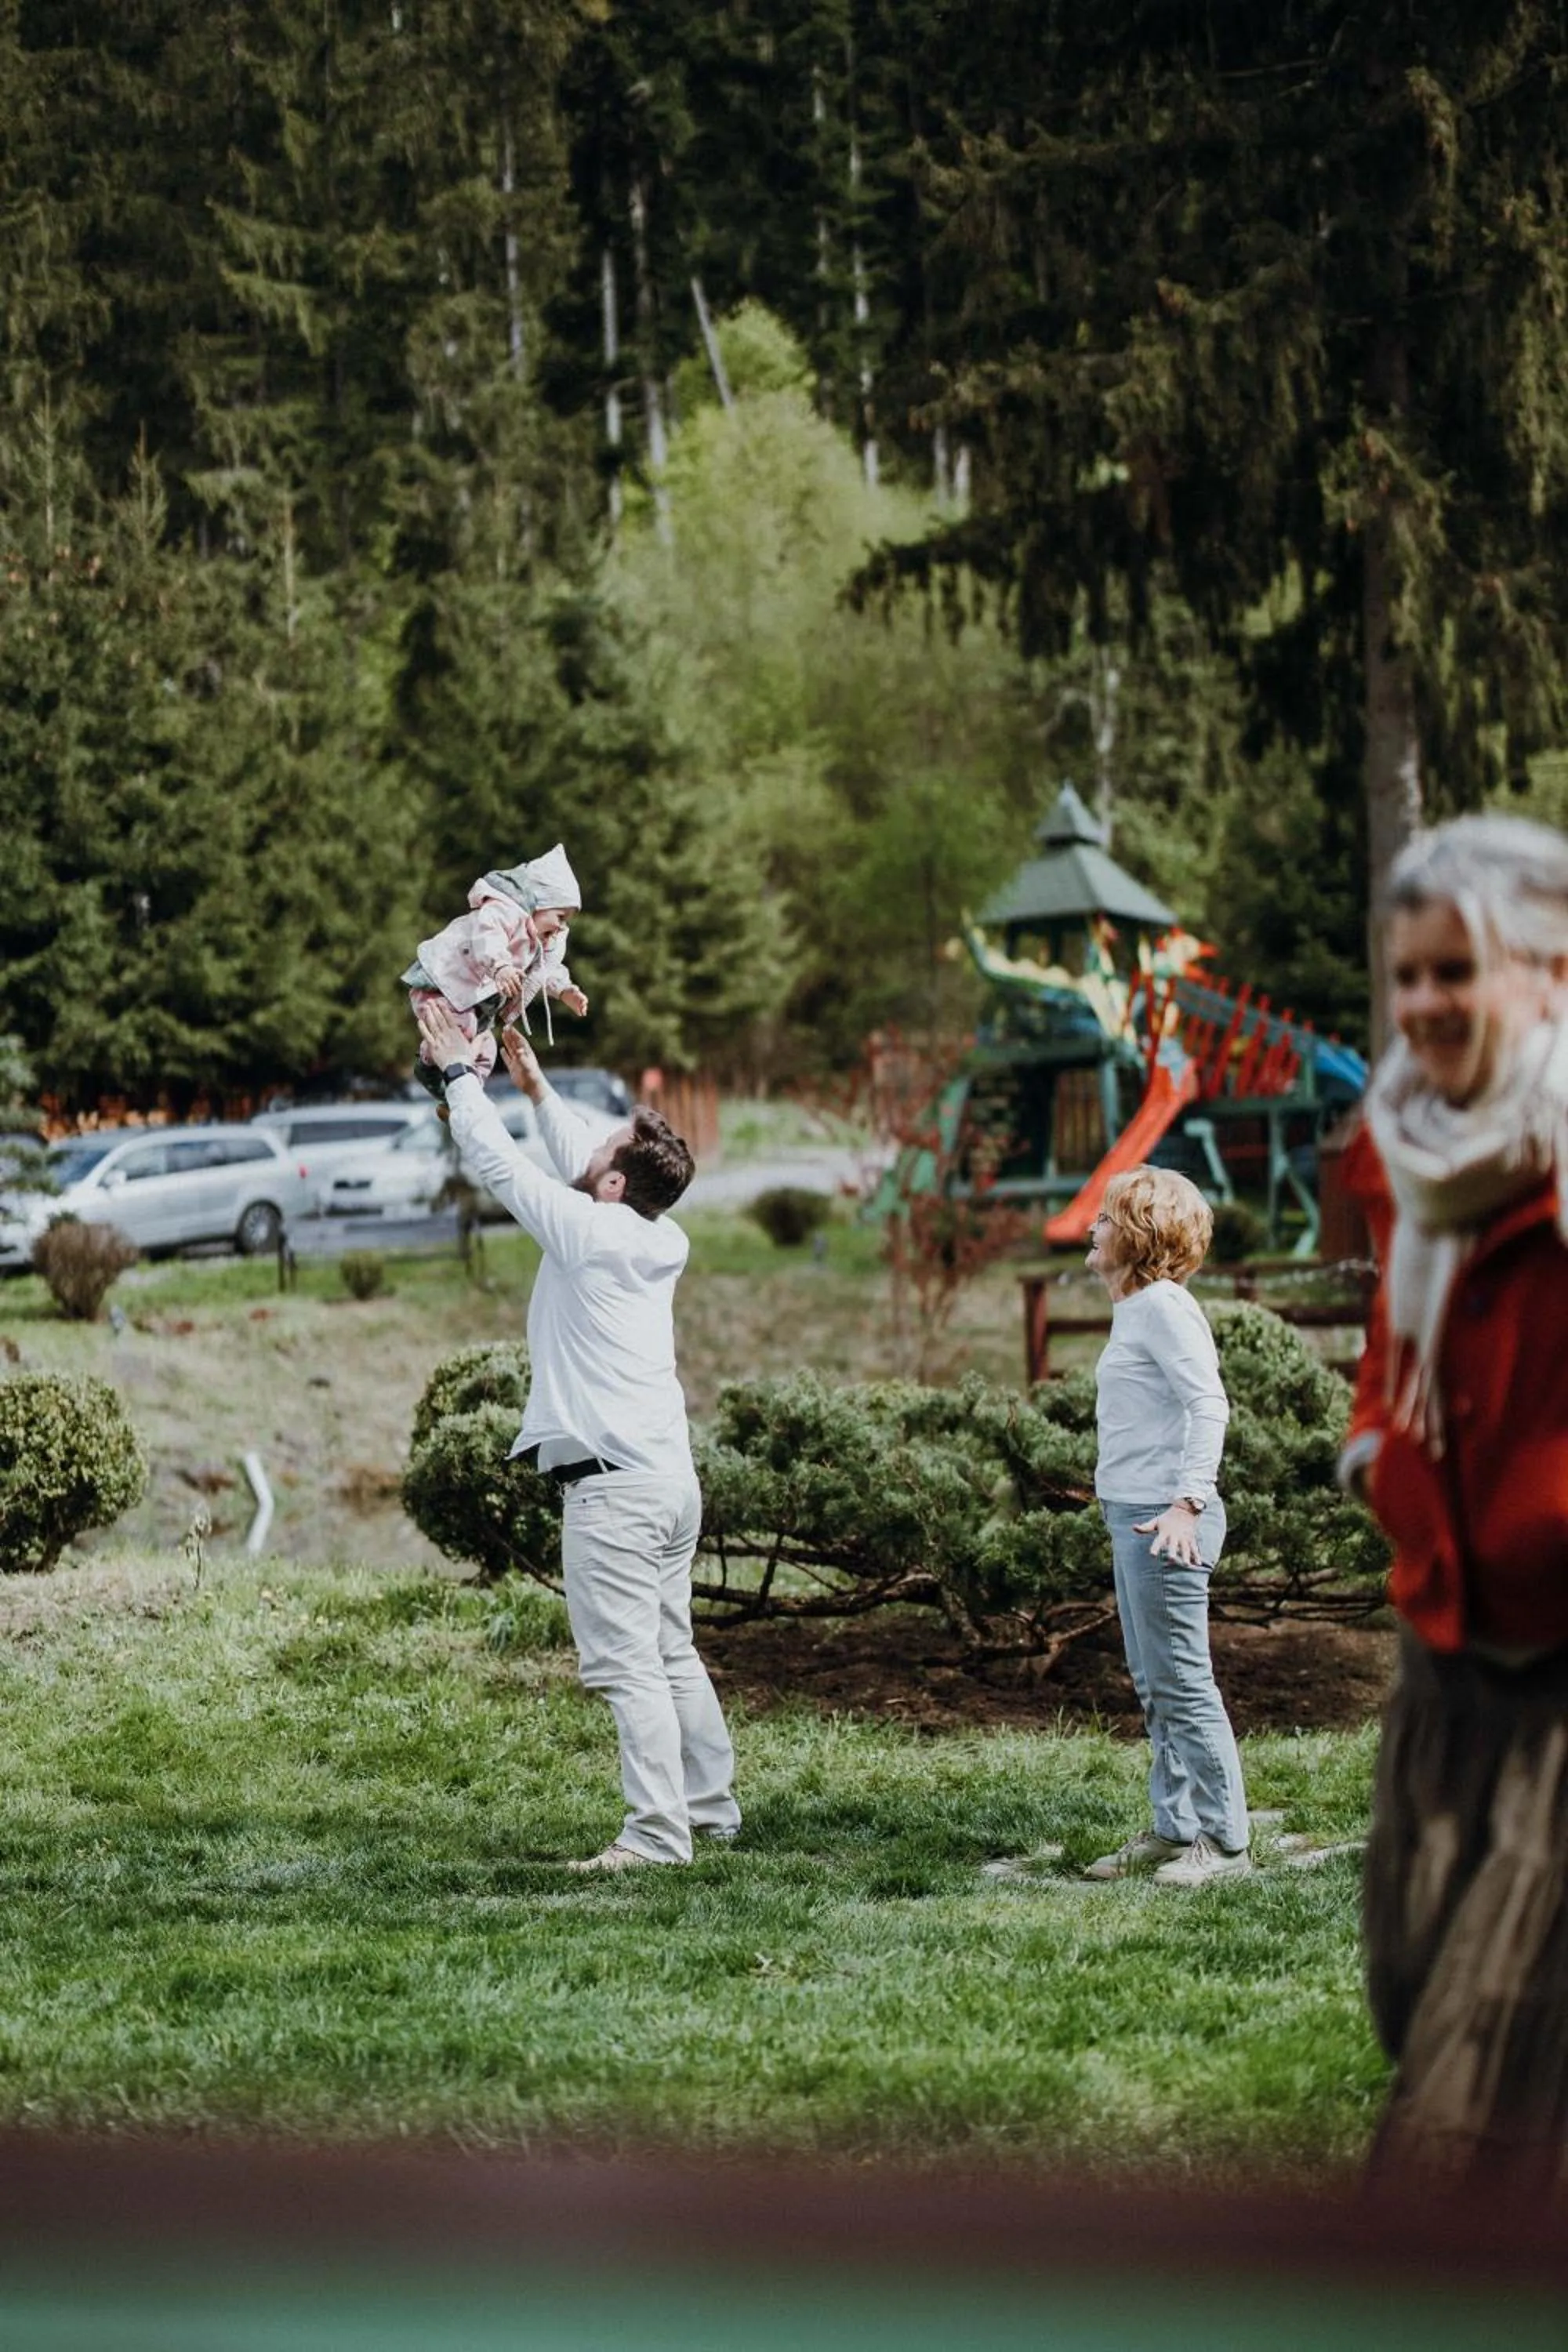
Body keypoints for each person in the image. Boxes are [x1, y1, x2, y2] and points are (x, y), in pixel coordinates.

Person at [1343, 812, 1568, 2187]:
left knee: (1475, 2070)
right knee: (1411, 1971)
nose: (1422, 1004)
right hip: (1445, 1644)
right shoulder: (1409, 1152)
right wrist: (1379, 1458)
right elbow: (1395, 1362)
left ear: (1548, 972)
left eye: (1454, 974)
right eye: (1407, 975)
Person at [414, 996, 741, 1872]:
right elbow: (581, 1163)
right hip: (670, 1484)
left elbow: (504, 1170)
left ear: (610, 1187)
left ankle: (654, 1836)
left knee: (627, 1665)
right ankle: (709, 1810)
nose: (587, 1149)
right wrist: (533, 1086)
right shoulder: (650, 1233)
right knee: (671, 1648)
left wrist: (457, 1074)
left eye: (601, 1151)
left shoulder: (587, 1233)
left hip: (612, 1493)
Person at [1081, 1164, 1251, 1887]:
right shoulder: (1138, 1309)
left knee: (1183, 1681)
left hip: (1166, 1519)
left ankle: (1227, 1842)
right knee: (1156, 1684)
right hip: (1135, 1514)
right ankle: (1173, 1826)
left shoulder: (1164, 1308)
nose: (1093, 1227)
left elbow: (1209, 1405)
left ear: (1142, 1234)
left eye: (1107, 1218)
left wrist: (1188, 1503)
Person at [403, 842, 590, 1104]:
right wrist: (501, 966)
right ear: (539, 903)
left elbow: (544, 970)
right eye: (560, 917)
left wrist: (565, 990)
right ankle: (429, 1063)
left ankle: (465, 1098)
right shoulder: (503, 911)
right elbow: (487, 936)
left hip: (468, 1002)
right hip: (442, 985)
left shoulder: (537, 943)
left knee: (487, 1048)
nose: (561, 927)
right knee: (464, 1032)